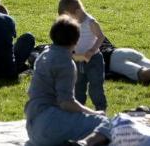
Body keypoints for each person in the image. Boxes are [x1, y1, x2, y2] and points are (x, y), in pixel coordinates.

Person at [25, 15, 111, 146]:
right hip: (50, 127)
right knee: (107, 123)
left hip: (32, 126)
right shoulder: (65, 63)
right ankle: (84, 143)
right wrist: (94, 112)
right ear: (76, 40)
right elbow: (66, 103)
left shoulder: (45, 54)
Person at [57, 0, 106, 111]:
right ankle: (79, 110)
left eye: (70, 18)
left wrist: (92, 50)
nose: (68, 21)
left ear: (78, 12)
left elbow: (101, 37)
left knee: (95, 86)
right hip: (78, 59)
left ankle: (100, 108)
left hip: (93, 59)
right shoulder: (72, 25)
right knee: (78, 86)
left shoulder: (90, 22)